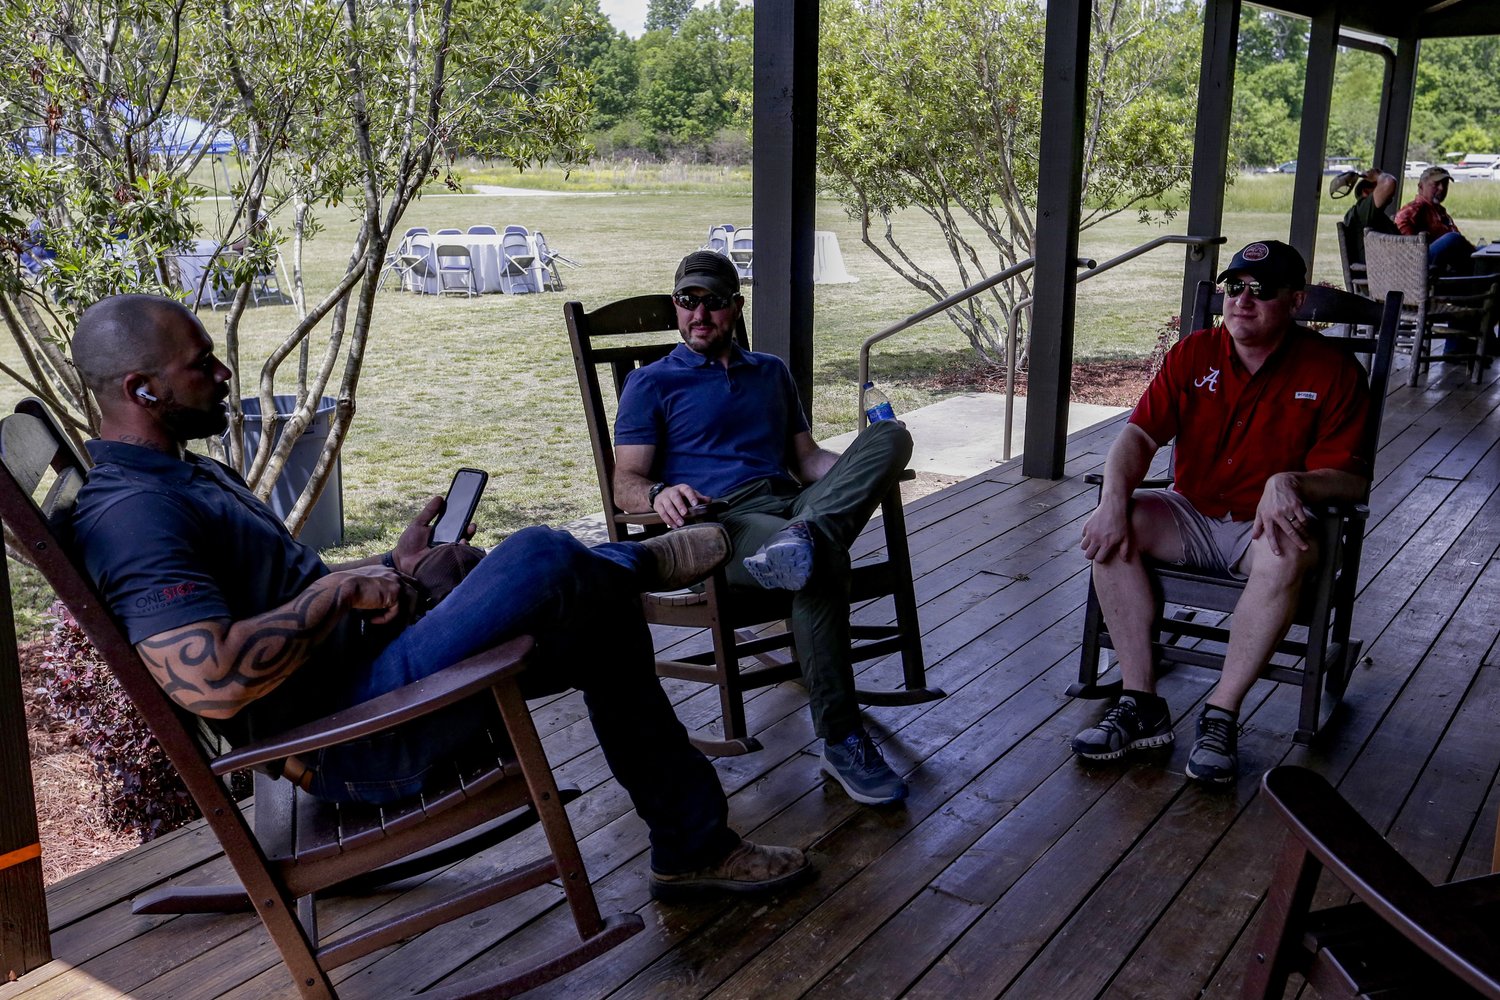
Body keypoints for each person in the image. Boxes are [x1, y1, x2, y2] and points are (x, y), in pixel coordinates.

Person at [68, 293, 811, 902]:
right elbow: (213, 682)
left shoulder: (183, 473)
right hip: (351, 741)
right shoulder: (134, 514)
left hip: (360, 676)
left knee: (559, 598)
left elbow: (286, 590)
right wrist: (335, 597)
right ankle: (638, 566)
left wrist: (390, 566)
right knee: (543, 555)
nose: (225, 373)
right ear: (143, 390)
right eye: (203, 366)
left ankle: (692, 844)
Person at [612, 251, 916, 807]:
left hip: (793, 504)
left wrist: (860, 468)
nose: (698, 314)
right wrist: (659, 493)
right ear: (676, 307)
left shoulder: (770, 371)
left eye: (713, 301)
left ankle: (804, 537)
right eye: (687, 301)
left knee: (891, 438)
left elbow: (805, 460)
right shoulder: (650, 383)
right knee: (821, 562)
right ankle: (843, 737)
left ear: (736, 306)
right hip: (722, 524)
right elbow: (624, 483)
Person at [1072, 241, 1372, 785]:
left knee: (1286, 554)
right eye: (1234, 287)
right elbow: (1138, 434)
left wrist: (1292, 481)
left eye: (1262, 291)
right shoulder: (1194, 353)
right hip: (1190, 509)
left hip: (1265, 528)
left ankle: (1222, 713)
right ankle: (1141, 701)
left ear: (1297, 300)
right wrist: (1113, 502)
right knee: (1114, 529)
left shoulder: (1332, 371)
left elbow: (1352, 479)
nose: (1242, 300)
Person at [1395, 165, 1475, 274]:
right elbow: (1400, 222)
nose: (1441, 188)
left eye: (1445, 184)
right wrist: (1414, 248)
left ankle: (1478, 259)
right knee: (1453, 238)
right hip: (1421, 262)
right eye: (1436, 184)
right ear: (1421, 187)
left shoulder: (1438, 210)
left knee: (1487, 250)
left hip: (1445, 260)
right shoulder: (1416, 208)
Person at [1330, 167, 1397, 266]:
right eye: (1377, 187)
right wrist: (1377, 176)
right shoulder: (1363, 210)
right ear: (1366, 192)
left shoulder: (1371, 214)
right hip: (1382, 271)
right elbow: (1389, 183)